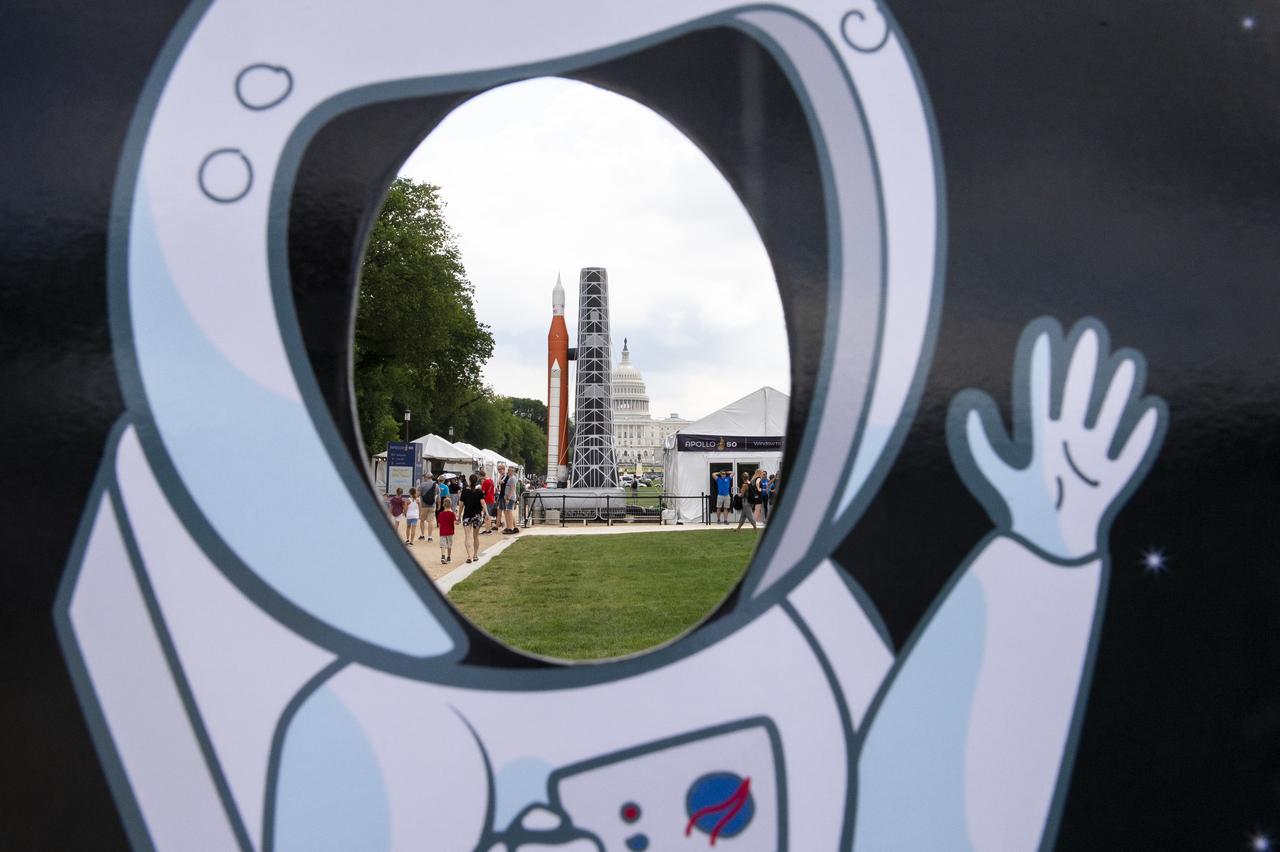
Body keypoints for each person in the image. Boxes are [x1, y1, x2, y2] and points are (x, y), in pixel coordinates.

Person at [459, 473, 485, 563]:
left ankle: (469, 556)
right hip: (477, 516)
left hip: (467, 516)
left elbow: (461, 505)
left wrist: (458, 516)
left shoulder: (465, 491)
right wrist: (487, 514)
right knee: (476, 536)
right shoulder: (479, 492)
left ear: (469, 481)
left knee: (467, 536)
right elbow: (483, 503)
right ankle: (475, 555)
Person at [498, 463, 519, 534]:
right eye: (509, 470)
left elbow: (513, 489)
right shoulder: (510, 478)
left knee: (509, 513)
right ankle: (511, 528)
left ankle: (510, 528)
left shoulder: (512, 478)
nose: (509, 471)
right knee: (508, 512)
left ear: (513, 472)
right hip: (508, 497)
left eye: (511, 470)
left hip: (510, 498)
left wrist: (508, 497)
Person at [436, 497, 456, 565]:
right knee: (449, 545)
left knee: (443, 545)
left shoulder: (440, 514)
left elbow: (439, 524)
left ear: (443, 505)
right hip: (450, 531)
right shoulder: (452, 514)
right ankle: (449, 557)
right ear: (450, 505)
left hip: (442, 532)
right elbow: (454, 522)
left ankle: (443, 556)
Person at [419, 474, 436, 541]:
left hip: (424, 505)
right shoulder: (436, 485)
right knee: (430, 521)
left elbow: (417, 494)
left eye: (425, 477)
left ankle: (422, 535)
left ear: (426, 477)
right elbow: (438, 497)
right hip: (432, 505)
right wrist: (439, 505)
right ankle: (430, 537)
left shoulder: (422, 485)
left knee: (422, 520)